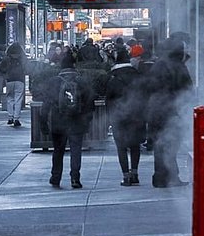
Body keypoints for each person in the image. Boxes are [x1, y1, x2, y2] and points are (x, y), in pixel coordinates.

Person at [41, 50, 95, 189]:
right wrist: (87, 120)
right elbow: (90, 103)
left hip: (58, 122)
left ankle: (56, 177)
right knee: (76, 150)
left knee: (58, 151)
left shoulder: (54, 82)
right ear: (74, 66)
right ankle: (75, 178)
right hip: (77, 122)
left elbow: (46, 103)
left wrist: (44, 122)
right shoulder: (81, 81)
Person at [145, 35, 194, 188]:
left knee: (160, 144)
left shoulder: (159, 64)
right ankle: (169, 176)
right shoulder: (177, 66)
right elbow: (187, 90)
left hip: (155, 110)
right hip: (170, 111)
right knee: (171, 144)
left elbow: (149, 87)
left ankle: (161, 176)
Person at [105, 48, 146, 185]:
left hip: (119, 117)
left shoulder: (113, 78)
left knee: (121, 147)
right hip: (136, 115)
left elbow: (108, 100)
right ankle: (135, 173)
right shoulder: (138, 76)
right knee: (135, 146)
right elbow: (144, 96)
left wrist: (109, 118)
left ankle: (126, 176)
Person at [0, 42, 27, 127]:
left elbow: (1, 69)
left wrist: (5, 75)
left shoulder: (6, 58)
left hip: (9, 80)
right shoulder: (22, 58)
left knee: (10, 98)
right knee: (18, 99)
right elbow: (27, 68)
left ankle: (10, 117)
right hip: (20, 80)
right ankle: (16, 118)